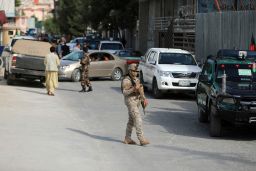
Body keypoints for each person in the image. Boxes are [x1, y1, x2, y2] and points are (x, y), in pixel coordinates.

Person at [121, 63, 149, 146]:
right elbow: (125, 92)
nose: (135, 73)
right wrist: (133, 89)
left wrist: (143, 99)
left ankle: (127, 138)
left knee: (131, 121)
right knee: (138, 119)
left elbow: (140, 89)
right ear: (130, 71)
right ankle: (141, 139)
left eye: (136, 71)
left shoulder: (136, 79)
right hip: (130, 101)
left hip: (136, 101)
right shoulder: (126, 80)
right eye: (134, 71)